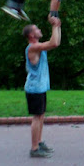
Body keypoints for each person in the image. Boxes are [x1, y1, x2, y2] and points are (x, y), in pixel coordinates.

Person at [23, 16, 61, 158]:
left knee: (41, 115)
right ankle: (34, 149)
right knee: (37, 117)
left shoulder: (38, 46)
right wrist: (54, 25)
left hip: (39, 87)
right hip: (34, 89)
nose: (39, 30)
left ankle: (38, 142)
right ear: (32, 35)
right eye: (36, 29)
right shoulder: (33, 47)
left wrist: (57, 26)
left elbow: (56, 41)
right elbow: (54, 43)